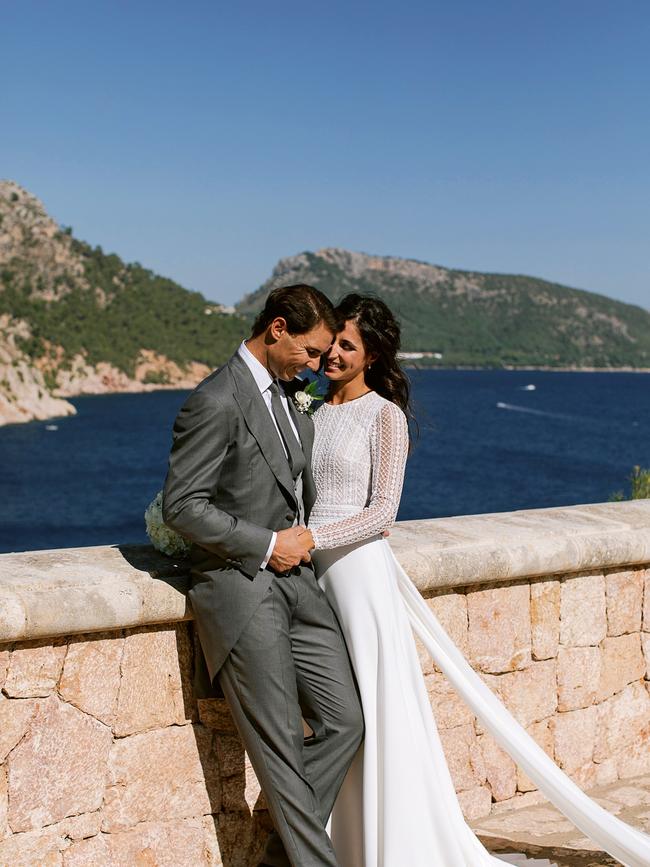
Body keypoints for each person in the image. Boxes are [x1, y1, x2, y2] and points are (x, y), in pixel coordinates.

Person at [303, 293, 650, 867]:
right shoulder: (311, 408)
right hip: (314, 579)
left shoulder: (383, 415)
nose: (334, 354)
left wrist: (311, 538)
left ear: (372, 356)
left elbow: (383, 512)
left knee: (375, 713)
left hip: (358, 578)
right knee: (336, 715)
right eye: (332, 342)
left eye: (348, 345)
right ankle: (346, 844)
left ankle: (393, 846)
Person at [162, 284, 364, 867]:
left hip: (299, 585)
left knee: (345, 721)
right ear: (277, 330)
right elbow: (183, 505)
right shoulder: (216, 399)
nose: (318, 364)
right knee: (278, 748)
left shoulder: (289, 394)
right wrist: (267, 544)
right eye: (310, 351)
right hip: (240, 588)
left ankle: (282, 856)